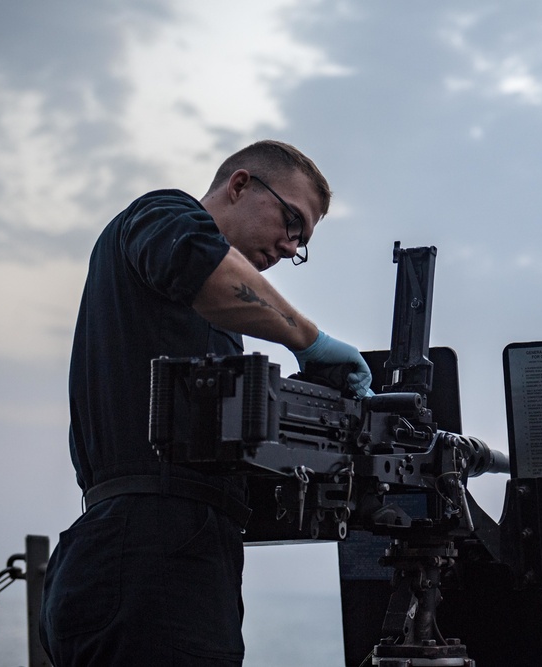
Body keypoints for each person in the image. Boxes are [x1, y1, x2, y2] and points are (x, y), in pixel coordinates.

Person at [39, 140, 371, 665]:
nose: (289, 247)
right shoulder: (162, 214)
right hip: (143, 559)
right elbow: (202, 269)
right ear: (240, 186)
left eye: (301, 242)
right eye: (290, 221)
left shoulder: (212, 325)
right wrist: (309, 339)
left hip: (176, 558)